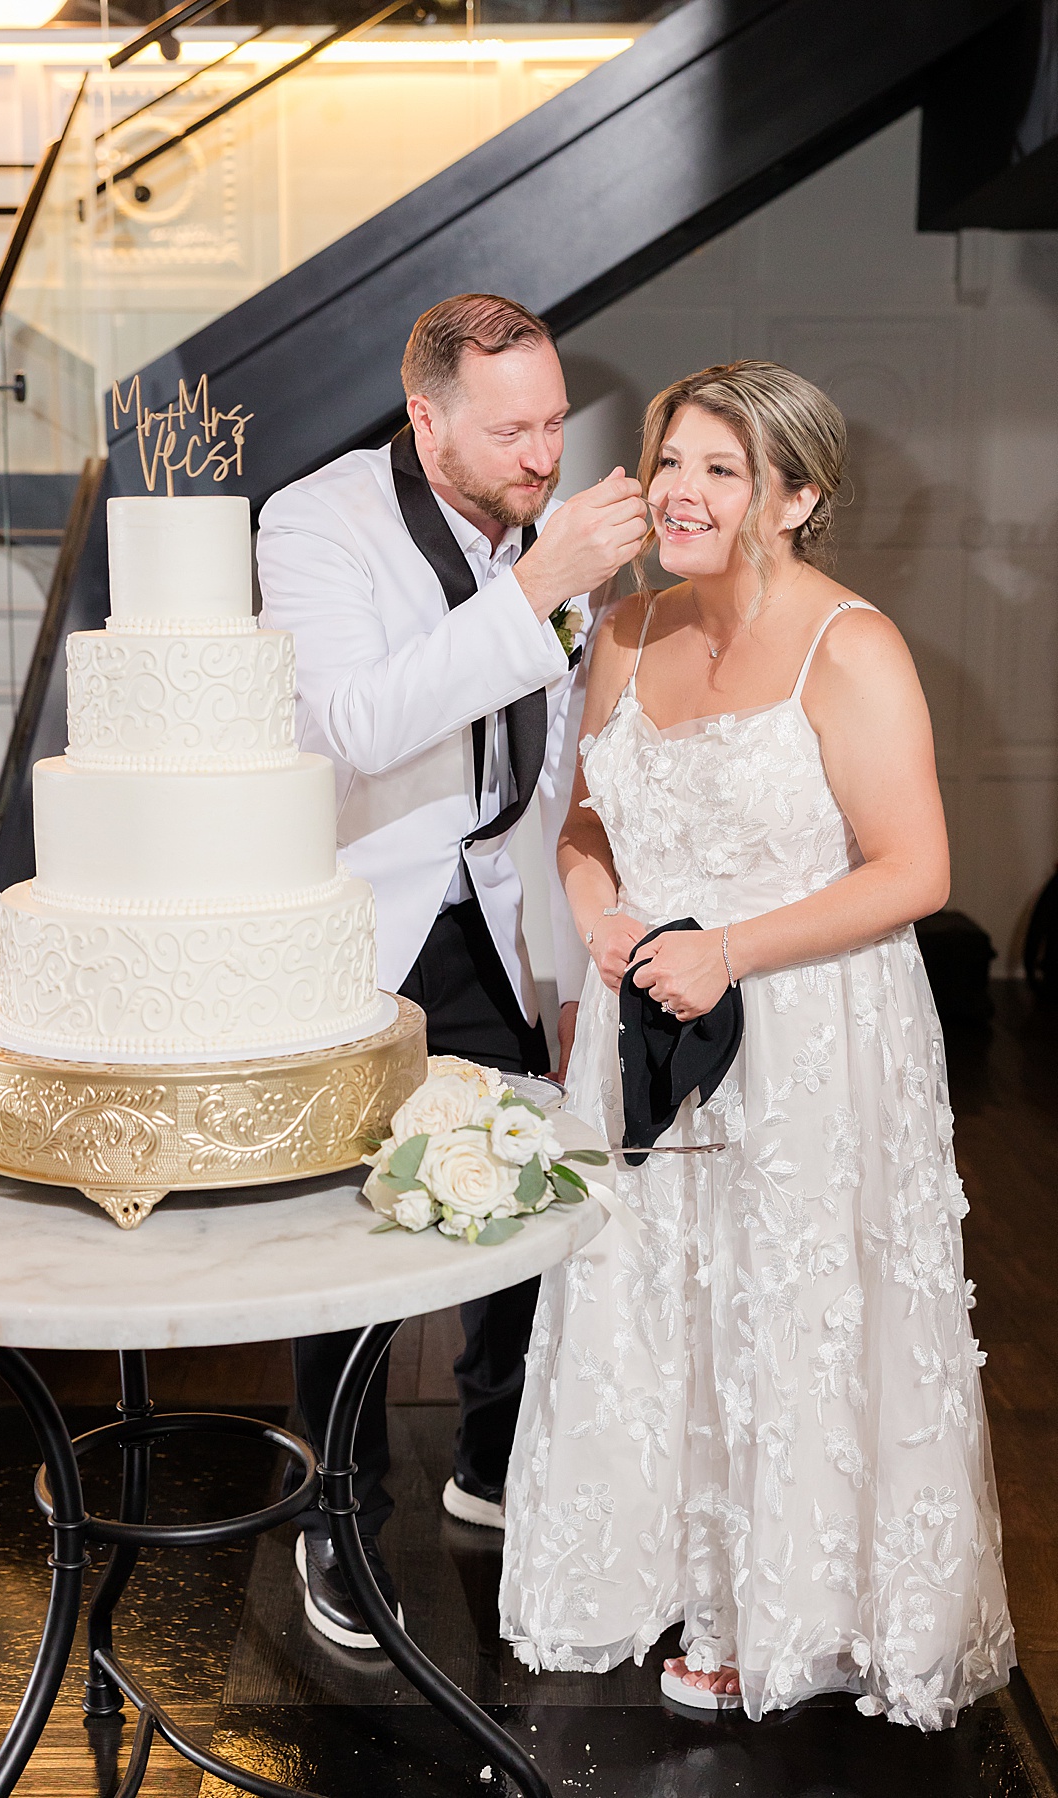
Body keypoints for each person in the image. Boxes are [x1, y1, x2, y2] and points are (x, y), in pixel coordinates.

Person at [499, 360, 1014, 1724]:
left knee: (778, 1305)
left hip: (806, 1026)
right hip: (646, 1024)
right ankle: (656, 1562)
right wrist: (603, 915)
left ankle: (777, 1601)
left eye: (721, 469)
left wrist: (727, 947)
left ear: (795, 498)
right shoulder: (618, 631)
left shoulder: (855, 646)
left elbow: (914, 867)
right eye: (672, 459)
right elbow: (584, 822)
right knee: (653, 1292)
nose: (680, 489)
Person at [254, 293, 646, 1649]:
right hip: (367, 913)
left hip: (500, 900)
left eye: (552, 425)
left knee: (523, 1188)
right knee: (349, 1232)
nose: (544, 456)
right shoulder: (315, 522)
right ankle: (338, 1513)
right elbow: (356, 724)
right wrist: (540, 589)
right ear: (426, 418)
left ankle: (493, 1456)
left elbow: (557, 743)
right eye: (512, 431)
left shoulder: (551, 523)